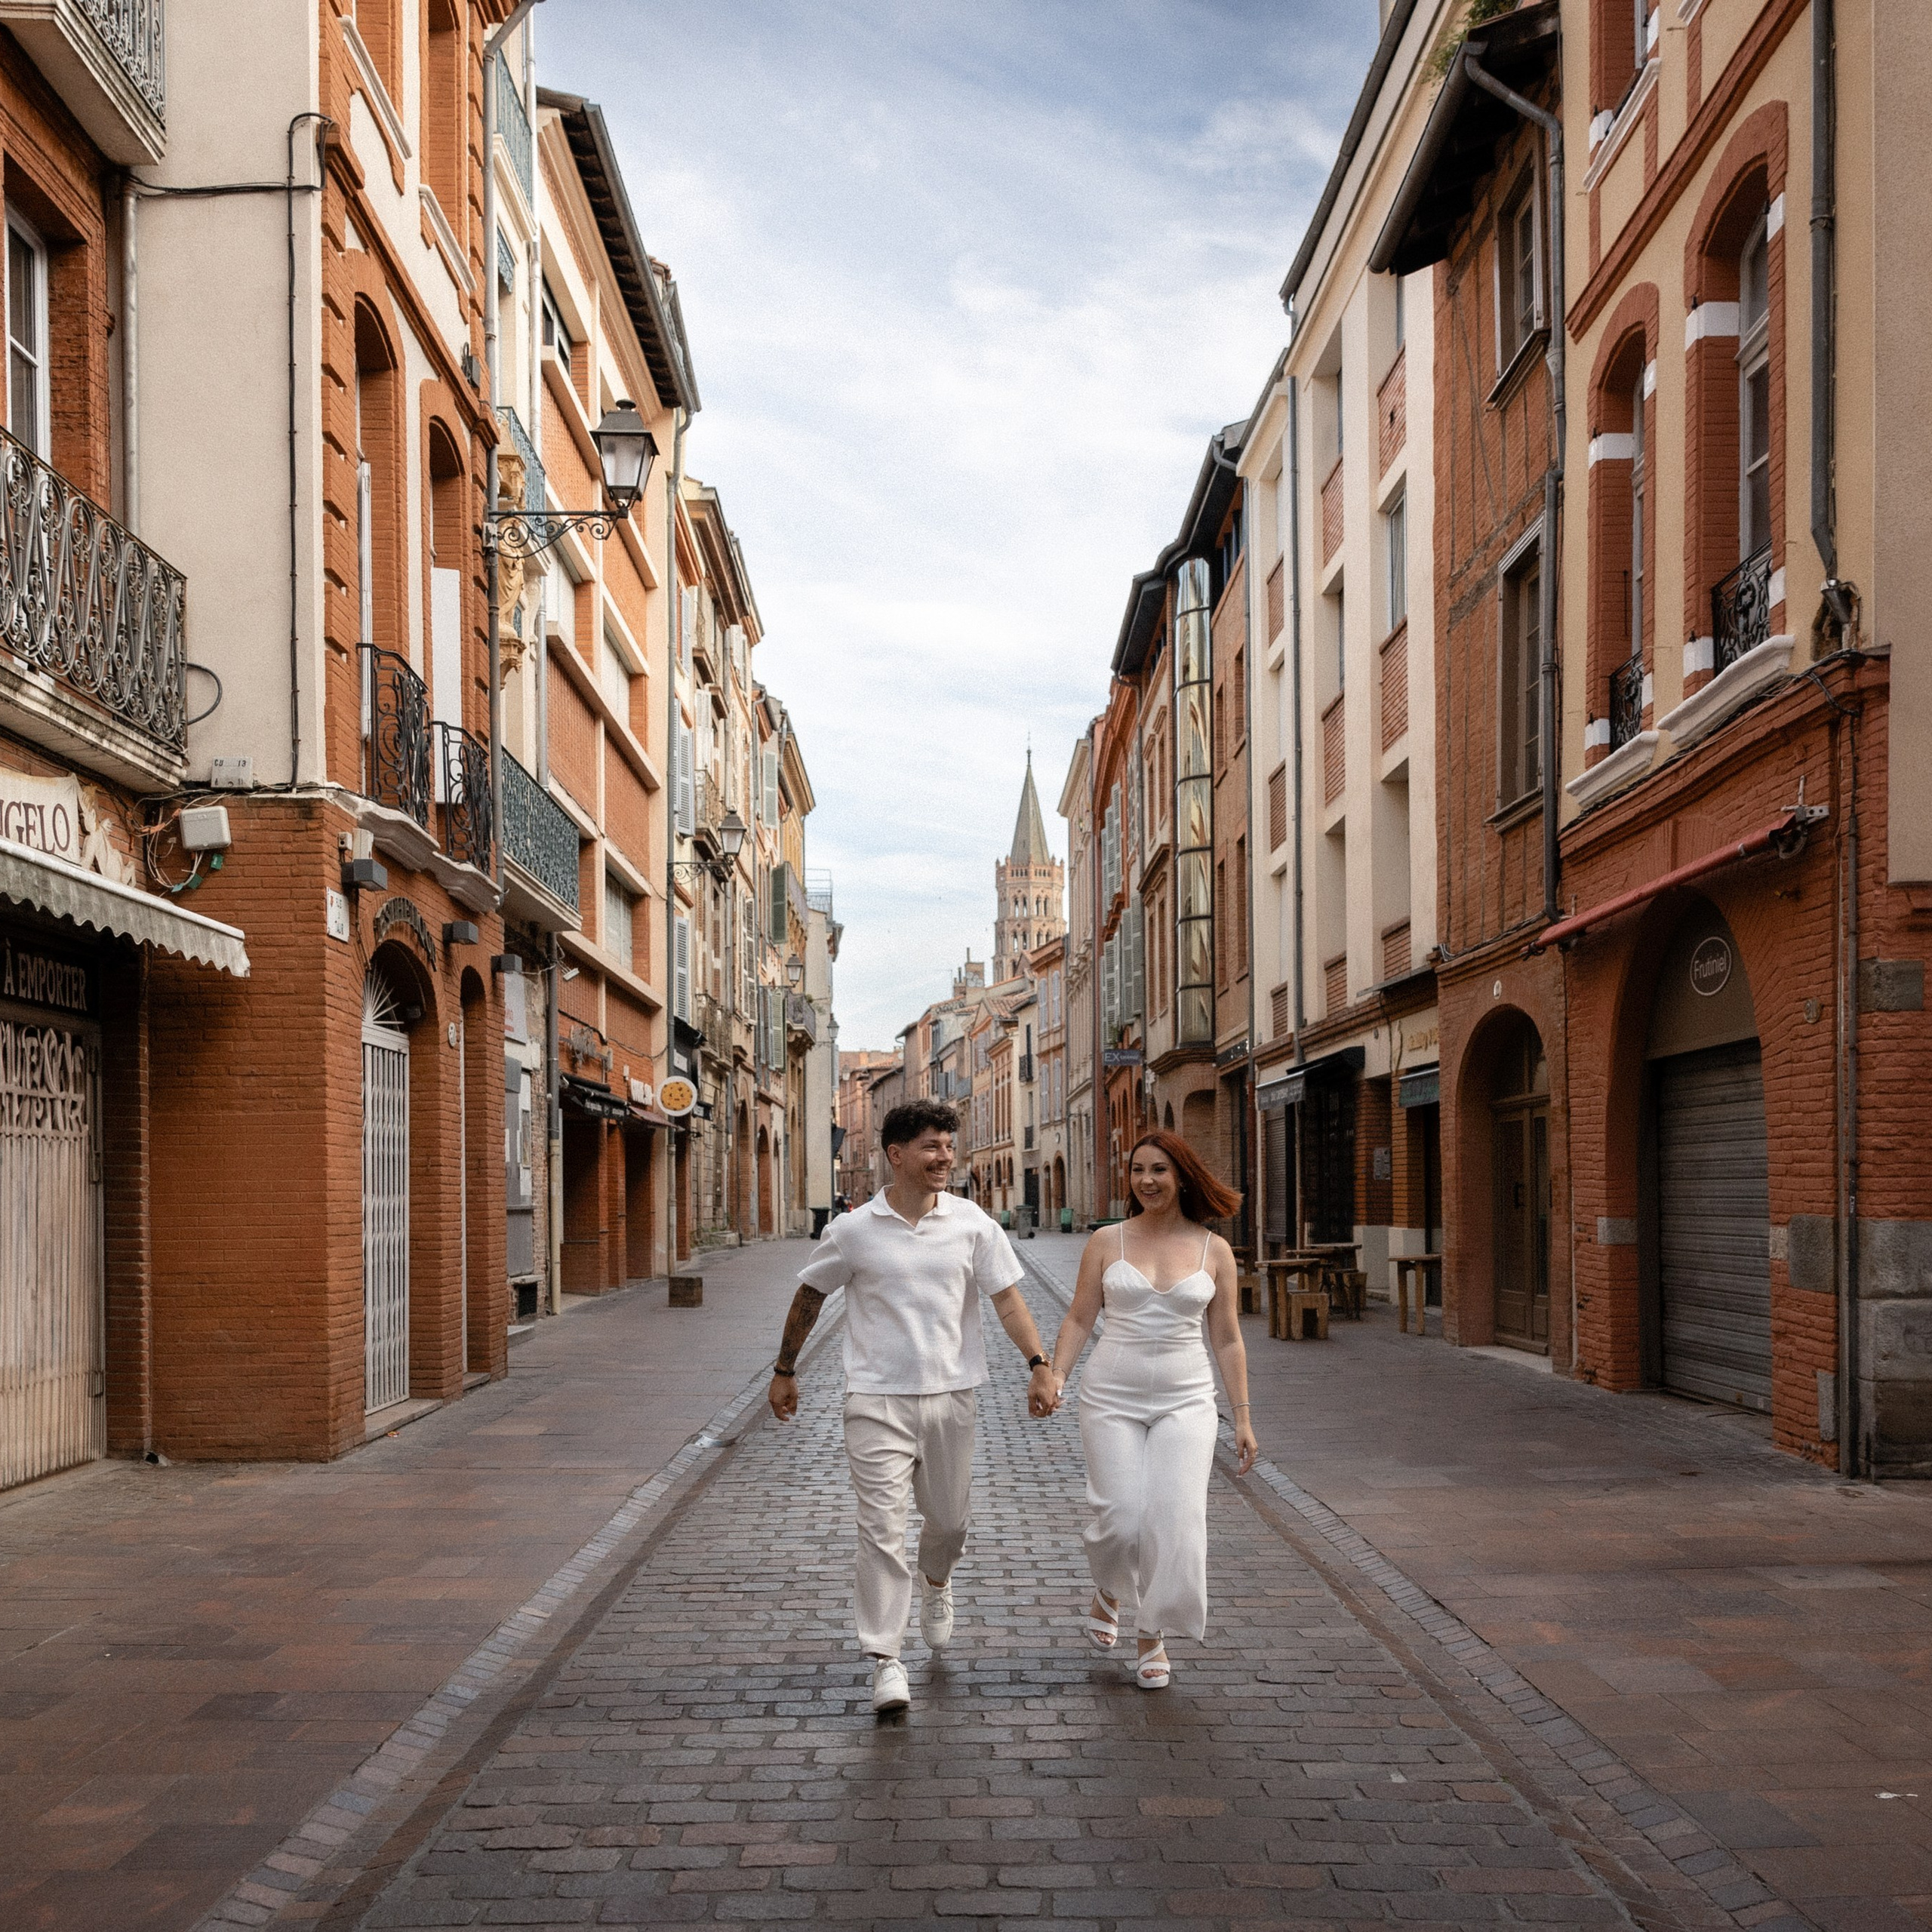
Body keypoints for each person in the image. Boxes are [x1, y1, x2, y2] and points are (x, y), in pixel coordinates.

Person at [769, 1098, 1057, 1715]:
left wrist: (1038, 1364)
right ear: (896, 1155)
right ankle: (886, 1660)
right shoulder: (852, 1230)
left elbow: (1007, 1300)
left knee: (949, 1524)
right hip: (875, 1400)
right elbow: (808, 1298)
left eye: (949, 1146)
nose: (945, 1158)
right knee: (880, 1529)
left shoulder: (973, 1224)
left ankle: (938, 1580)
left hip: (953, 1396)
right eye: (932, 1147)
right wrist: (784, 1371)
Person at [1041, 1131, 1257, 1690]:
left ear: (1181, 1175)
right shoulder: (1106, 1242)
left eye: (1159, 1170)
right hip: (1111, 1395)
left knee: (1175, 1516)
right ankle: (1110, 1588)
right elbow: (1080, 1318)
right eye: (1138, 1170)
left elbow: (1228, 1339)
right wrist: (1057, 1373)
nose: (1147, 1180)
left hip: (1187, 1400)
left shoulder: (1215, 1250)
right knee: (1120, 1516)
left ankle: (1152, 1631)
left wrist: (1244, 1416)